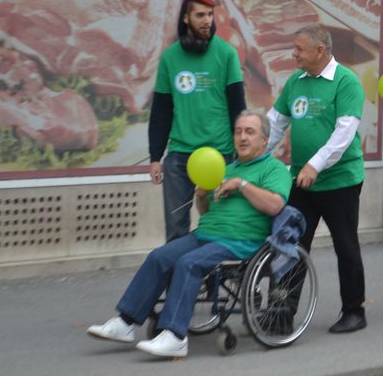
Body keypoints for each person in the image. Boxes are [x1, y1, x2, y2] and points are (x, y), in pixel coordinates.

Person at [87, 111, 291, 358]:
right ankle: (125, 322)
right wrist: (201, 195)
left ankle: (175, 336)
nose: (242, 138)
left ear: (265, 140)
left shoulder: (274, 169)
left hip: (241, 241)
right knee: (159, 257)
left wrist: (242, 185)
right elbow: (205, 211)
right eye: (238, 132)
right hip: (206, 234)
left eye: (249, 132)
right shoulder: (225, 168)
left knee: (188, 263)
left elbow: (275, 205)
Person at [266, 25, 368, 334]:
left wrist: (315, 165)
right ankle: (280, 313)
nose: (293, 54)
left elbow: (344, 133)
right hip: (301, 181)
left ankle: (354, 311)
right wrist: (251, 156)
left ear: (320, 50)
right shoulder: (295, 81)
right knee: (290, 245)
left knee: (346, 246)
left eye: (299, 48)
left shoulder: (346, 81)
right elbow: (274, 124)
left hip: (340, 180)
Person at [148, 0, 246, 242]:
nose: (207, 21)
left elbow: (238, 108)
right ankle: (178, 269)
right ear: (186, 18)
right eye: (200, 15)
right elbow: (161, 110)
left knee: (218, 226)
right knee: (175, 230)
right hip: (180, 157)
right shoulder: (170, 57)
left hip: (220, 154)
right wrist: (156, 156)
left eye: (210, 15)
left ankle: (210, 267)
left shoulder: (226, 53)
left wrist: (240, 152)